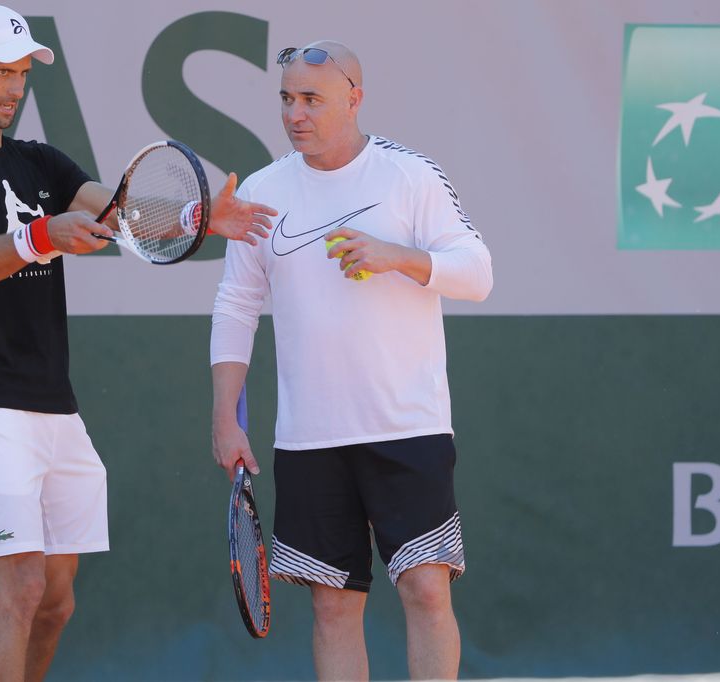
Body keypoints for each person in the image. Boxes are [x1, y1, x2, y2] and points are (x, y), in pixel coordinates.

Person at [0, 4, 276, 680]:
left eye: (22, 74)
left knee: (56, 602)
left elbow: (122, 213)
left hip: (55, 407)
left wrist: (203, 217)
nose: (14, 87)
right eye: (0, 72)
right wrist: (43, 235)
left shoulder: (41, 161)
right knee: (20, 591)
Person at [210, 41, 493, 681]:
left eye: (312, 99)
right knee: (334, 610)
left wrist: (398, 256)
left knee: (426, 591)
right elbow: (236, 304)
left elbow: (478, 273)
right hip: (310, 440)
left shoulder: (410, 176)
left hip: (408, 429)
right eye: (286, 98)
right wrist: (225, 415)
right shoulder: (262, 190)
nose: (295, 114)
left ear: (354, 99)